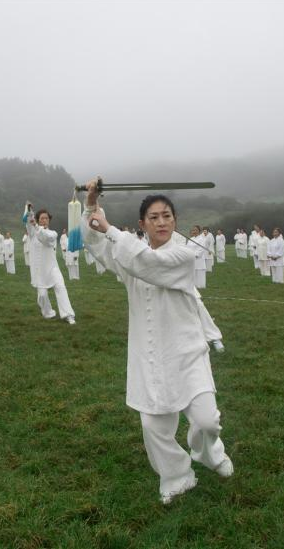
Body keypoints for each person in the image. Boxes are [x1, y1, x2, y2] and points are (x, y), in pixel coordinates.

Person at [81, 180, 233, 505]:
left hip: (188, 351)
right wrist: (92, 205)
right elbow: (95, 241)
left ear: (175, 220)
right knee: (153, 425)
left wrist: (111, 229)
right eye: (153, 217)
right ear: (142, 224)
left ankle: (206, 451)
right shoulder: (128, 253)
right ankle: (177, 476)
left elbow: (148, 265)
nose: (161, 222)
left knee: (207, 421)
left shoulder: (183, 255)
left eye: (166, 216)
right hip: (149, 354)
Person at [23, 203, 76, 324]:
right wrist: (29, 210)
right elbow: (28, 221)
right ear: (38, 220)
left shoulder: (53, 233)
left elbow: (44, 237)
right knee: (42, 295)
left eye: (46, 218)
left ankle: (68, 315)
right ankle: (48, 313)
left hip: (52, 268)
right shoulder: (32, 233)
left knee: (61, 287)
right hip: (39, 270)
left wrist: (36, 226)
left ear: (49, 220)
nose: (44, 220)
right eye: (42, 218)